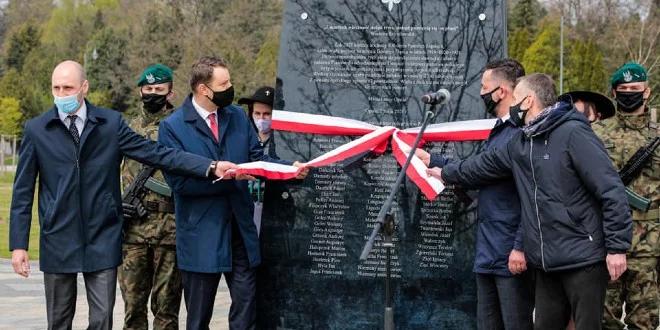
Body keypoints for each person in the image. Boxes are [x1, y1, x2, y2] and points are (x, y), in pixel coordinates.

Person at [9, 60, 230, 330]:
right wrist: (19, 245)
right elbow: (22, 193)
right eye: (56, 87)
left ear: (84, 87)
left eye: (68, 87)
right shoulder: (37, 129)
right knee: (58, 321)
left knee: (102, 320)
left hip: (102, 237)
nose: (61, 94)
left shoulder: (110, 124)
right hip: (58, 238)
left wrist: (209, 166)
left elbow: (157, 153)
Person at [428, 73, 632, 329]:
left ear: (528, 100)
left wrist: (616, 247)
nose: (512, 106)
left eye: (515, 99)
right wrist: (444, 170)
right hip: (545, 263)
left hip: (583, 258)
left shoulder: (573, 133)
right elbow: (483, 165)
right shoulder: (522, 141)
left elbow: (611, 189)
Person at [158, 56, 308, 330]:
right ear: (204, 89)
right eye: (224, 83)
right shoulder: (173, 127)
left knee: (246, 314)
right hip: (202, 235)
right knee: (198, 319)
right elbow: (179, 184)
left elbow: (256, 158)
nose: (231, 87)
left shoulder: (238, 117)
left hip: (240, 231)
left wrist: (290, 169)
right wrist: (229, 177)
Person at [417, 59, 533, 329]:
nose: (481, 93)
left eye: (484, 87)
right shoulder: (499, 131)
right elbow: (478, 170)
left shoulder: (520, 133)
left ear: (502, 91)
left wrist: (520, 246)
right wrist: (433, 161)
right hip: (488, 251)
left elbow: (526, 195)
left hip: (510, 254)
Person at [594, 62, 658, 330]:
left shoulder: (656, 134)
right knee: (603, 320)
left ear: (647, 92)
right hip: (605, 242)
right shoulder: (596, 133)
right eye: (623, 89)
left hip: (650, 246)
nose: (629, 92)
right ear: (613, 92)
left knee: (644, 321)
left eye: (635, 88)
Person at [118, 64, 182, 330]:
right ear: (140, 91)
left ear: (170, 92)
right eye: (148, 89)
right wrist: (116, 202)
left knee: (166, 312)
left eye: (159, 89)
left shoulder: (181, 127)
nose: (153, 93)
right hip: (132, 232)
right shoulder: (125, 127)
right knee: (133, 309)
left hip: (170, 231)